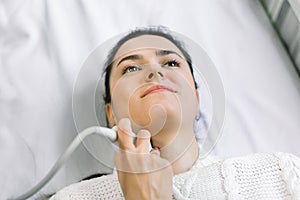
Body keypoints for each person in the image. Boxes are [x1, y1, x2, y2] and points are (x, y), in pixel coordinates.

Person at [50, 26, 300, 200]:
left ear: (197, 98)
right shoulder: (73, 198)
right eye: (130, 68)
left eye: (171, 63)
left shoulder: (281, 174)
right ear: (111, 115)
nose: (154, 72)